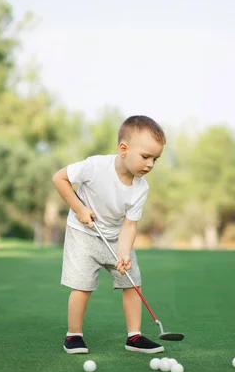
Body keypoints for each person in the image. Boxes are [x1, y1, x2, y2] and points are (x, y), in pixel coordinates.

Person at [52, 115, 166, 354]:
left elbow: (129, 224)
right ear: (123, 149)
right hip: (83, 232)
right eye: (146, 156)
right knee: (82, 285)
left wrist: (124, 252)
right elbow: (59, 178)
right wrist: (80, 208)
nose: (150, 164)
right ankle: (73, 335)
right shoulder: (95, 166)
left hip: (115, 236)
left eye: (155, 159)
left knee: (133, 283)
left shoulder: (141, 188)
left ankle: (134, 336)